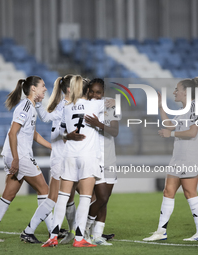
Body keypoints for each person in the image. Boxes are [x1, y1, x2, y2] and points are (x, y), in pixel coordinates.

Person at [0, 76, 53, 243]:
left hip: (17, 155)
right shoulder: (26, 106)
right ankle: (52, 232)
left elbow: (33, 134)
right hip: (20, 156)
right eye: (42, 86)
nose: (45, 89)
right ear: (33, 88)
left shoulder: (32, 107)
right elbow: (12, 133)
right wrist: (15, 159)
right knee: (45, 190)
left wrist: (52, 146)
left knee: (9, 194)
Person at [143, 77, 198, 242]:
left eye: (176, 89)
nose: (174, 92)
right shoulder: (184, 109)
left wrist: (170, 134)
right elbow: (170, 125)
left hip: (190, 157)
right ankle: (160, 232)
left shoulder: (195, 108)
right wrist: (160, 107)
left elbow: (192, 133)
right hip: (178, 157)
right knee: (168, 191)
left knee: (189, 193)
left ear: (186, 92)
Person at [42, 75, 104, 248]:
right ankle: (79, 239)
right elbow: (113, 103)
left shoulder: (66, 107)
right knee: (85, 197)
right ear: (87, 90)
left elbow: (59, 134)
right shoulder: (95, 104)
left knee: (62, 197)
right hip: (87, 156)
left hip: (69, 156)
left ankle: (53, 236)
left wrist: (66, 135)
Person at [25, 74, 86, 244]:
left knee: (71, 196)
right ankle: (29, 230)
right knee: (55, 197)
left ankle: (77, 232)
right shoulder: (63, 107)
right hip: (61, 158)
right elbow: (54, 126)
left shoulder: (68, 106)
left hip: (68, 157)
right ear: (69, 89)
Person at [83, 78, 120, 246]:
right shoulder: (83, 105)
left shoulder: (110, 105)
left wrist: (98, 123)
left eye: (98, 92)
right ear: (88, 91)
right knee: (101, 196)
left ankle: (96, 236)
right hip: (93, 157)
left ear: (103, 93)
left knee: (105, 199)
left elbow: (115, 131)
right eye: (92, 91)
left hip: (109, 157)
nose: (94, 95)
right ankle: (84, 230)